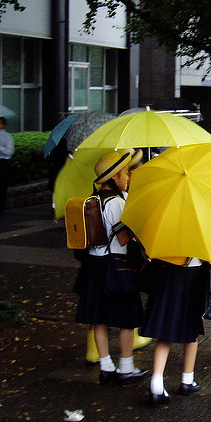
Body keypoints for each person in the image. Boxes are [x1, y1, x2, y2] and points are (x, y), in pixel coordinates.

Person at [74, 149, 147, 384]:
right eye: (125, 173)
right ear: (114, 178)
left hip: (94, 266)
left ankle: (106, 365)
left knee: (99, 317)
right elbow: (124, 239)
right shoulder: (117, 203)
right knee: (127, 317)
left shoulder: (93, 200)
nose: (127, 177)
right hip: (116, 265)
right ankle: (126, 366)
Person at [141, 254, 208, 406]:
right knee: (191, 330)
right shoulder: (199, 229)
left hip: (165, 274)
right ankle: (187, 380)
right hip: (192, 275)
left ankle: (156, 383)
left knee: (164, 333)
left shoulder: (163, 229)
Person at [47, 137, 69, 217]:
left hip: (55, 169)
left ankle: (54, 206)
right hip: (64, 169)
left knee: (55, 189)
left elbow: (50, 158)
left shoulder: (54, 145)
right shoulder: (67, 144)